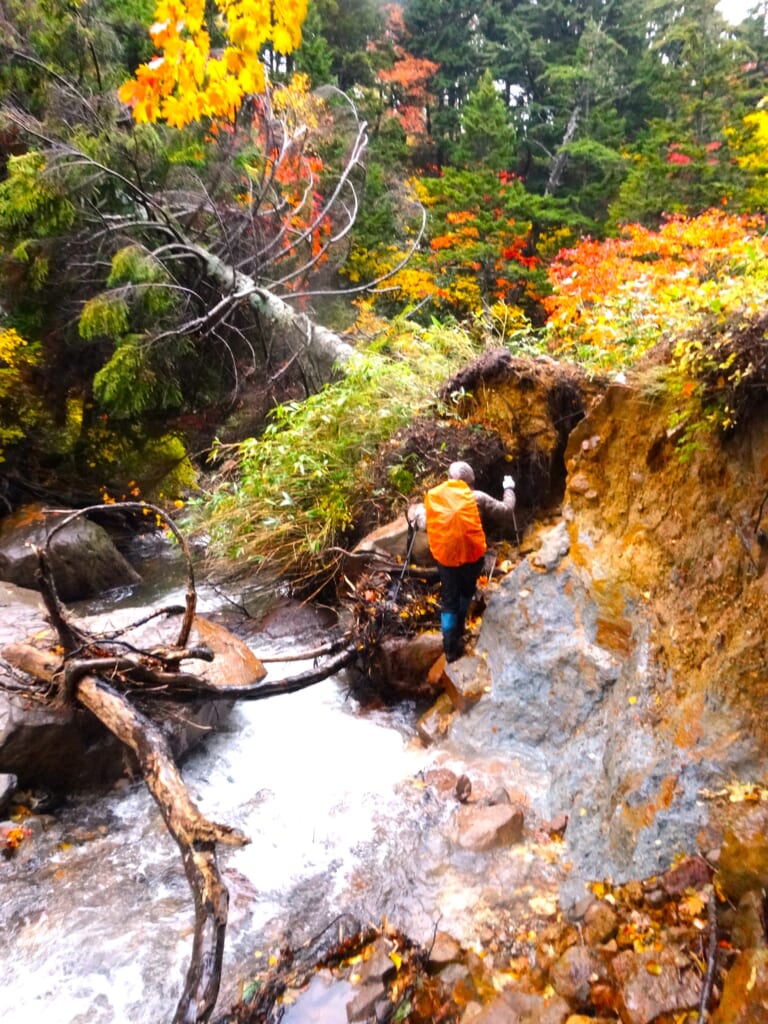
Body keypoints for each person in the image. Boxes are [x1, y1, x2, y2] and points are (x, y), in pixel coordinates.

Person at [408, 461, 517, 662]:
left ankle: (450, 649)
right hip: (473, 557)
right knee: (466, 592)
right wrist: (508, 488)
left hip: (447, 560)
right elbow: (507, 510)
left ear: (449, 480)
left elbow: (422, 525)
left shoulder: (435, 499)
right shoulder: (478, 498)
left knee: (449, 599)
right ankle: (460, 629)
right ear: (471, 482)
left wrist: (418, 511)